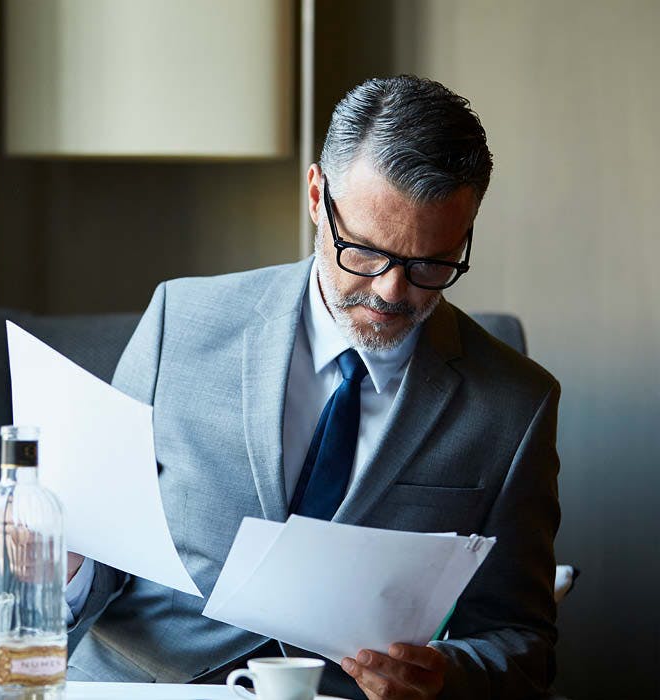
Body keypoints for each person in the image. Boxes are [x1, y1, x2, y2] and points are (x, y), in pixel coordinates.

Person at [63, 75, 561, 700]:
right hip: (146, 685)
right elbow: (101, 548)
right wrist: (65, 567)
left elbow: (519, 637)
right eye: (364, 251)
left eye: (431, 264)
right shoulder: (178, 322)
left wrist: (445, 676)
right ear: (316, 194)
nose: (390, 292)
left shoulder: (515, 403)